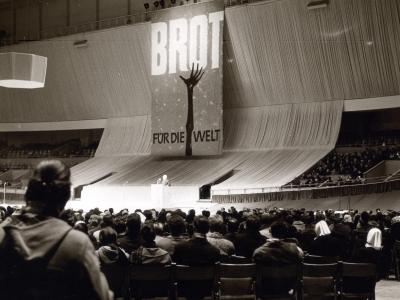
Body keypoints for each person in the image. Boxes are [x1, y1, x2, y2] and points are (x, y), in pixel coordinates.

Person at [0, 160, 112, 300]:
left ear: (28, 194)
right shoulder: (77, 243)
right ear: (65, 199)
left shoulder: (2, 234)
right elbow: (102, 295)